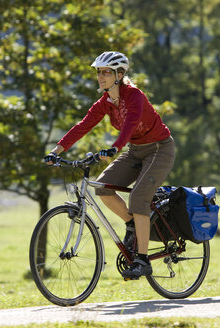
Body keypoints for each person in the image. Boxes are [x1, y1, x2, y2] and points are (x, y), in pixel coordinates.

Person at [45, 51, 175, 279]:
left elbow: (131, 123)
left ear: (119, 74)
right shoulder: (105, 103)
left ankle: (142, 260)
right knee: (102, 187)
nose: (101, 76)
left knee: (138, 198)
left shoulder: (133, 95)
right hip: (135, 150)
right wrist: (57, 150)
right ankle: (133, 224)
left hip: (159, 149)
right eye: (99, 72)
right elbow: (83, 125)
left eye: (106, 72)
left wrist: (115, 147)